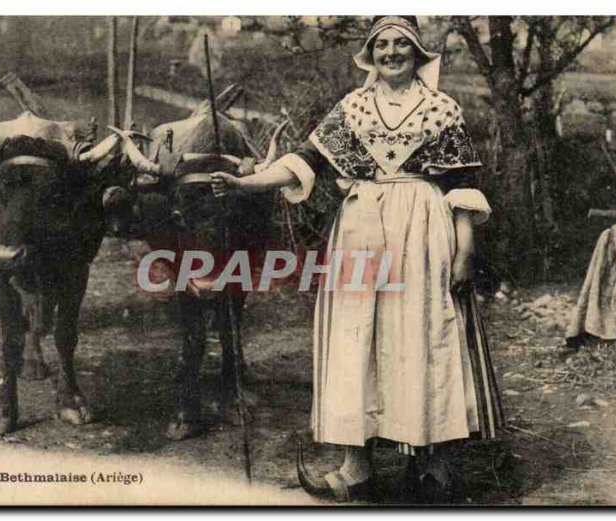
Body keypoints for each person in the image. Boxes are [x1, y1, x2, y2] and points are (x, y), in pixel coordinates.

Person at [211, 15, 504, 502]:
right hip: (360, 231)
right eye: (382, 44)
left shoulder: (440, 108)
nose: (391, 52)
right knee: (356, 338)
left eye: (401, 43)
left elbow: (462, 184)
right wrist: (244, 184)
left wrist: (465, 250)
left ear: (418, 51)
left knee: (425, 334)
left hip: (424, 229)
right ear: (370, 53)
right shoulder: (353, 108)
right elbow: (303, 161)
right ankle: (356, 468)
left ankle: (434, 467)